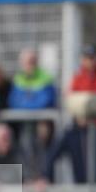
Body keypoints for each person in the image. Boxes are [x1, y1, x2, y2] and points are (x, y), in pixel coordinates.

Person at [9, 48, 58, 177]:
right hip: (25, 125)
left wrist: (26, 106)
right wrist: (31, 106)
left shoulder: (45, 78)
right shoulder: (18, 79)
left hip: (42, 125)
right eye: (26, 62)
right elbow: (14, 102)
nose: (29, 64)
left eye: (32, 61)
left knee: (43, 158)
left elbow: (46, 101)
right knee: (25, 155)